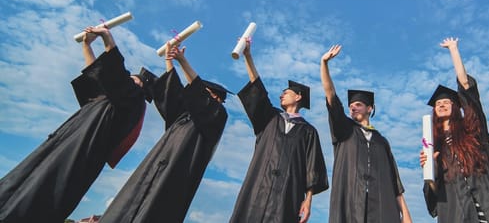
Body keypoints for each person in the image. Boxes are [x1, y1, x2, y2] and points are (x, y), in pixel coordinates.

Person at [0, 26, 149, 222]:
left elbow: (116, 76)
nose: (130, 80)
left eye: (135, 80)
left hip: (78, 152)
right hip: (62, 141)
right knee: (19, 183)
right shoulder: (106, 98)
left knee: (37, 194)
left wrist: (108, 39)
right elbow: (96, 75)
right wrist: (86, 46)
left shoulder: (132, 103)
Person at [99, 43, 228, 223]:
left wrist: (183, 61)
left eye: (204, 94)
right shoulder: (184, 116)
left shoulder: (217, 116)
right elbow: (172, 95)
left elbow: (196, 92)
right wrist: (169, 62)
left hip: (176, 174)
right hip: (153, 166)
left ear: (215, 98)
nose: (193, 95)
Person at [229, 39, 328, 223]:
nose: (282, 94)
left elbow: (312, 167)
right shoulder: (270, 118)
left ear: (298, 97)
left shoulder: (309, 132)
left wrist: (308, 201)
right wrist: (248, 56)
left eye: (286, 92)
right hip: (257, 189)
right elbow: (257, 88)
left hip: (287, 196)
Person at [420, 38, 489, 223]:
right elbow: (433, 192)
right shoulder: (433, 145)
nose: (442, 104)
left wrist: (454, 51)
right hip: (455, 210)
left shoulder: (471, 132)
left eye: (447, 101)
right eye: (438, 103)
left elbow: (468, 91)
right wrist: (431, 167)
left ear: (456, 106)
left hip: (487, 202)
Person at [320, 44, 412, 223]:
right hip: (350, 202)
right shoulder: (344, 130)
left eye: (358, 105)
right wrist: (324, 64)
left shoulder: (381, 141)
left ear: (370, 108)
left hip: (381, 206)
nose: (353, 107)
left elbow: (394, 181)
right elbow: (331, 97)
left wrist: (406, 215)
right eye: (351, 106)